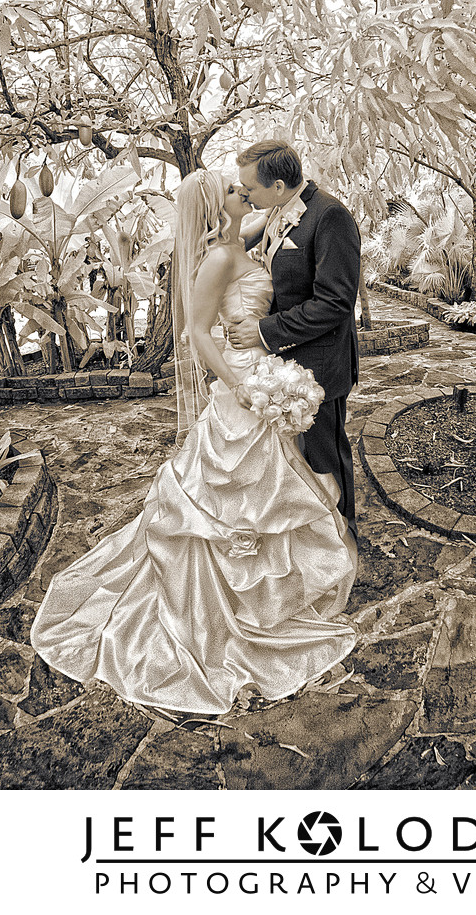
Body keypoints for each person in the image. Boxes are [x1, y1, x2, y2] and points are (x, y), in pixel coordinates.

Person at [30, 169, 357, 717]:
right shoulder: (218, 259)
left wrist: (291, 195)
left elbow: (277, 211)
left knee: (275, 486)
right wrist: (242, 386)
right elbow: (199, 334)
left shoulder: (241, 238)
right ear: (214, 205)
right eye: (233, 189)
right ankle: (228, 609)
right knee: (235, 494)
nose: (243, 192)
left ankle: (273, 591)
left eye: (245, 186)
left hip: (264, 370)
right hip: (244, 382)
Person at [234, 141, 361, 540]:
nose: (244, 195)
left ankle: (342, 532)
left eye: (249, 189)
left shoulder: (330, 216)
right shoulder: (276, 210)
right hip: (289, 363)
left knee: (326, 454)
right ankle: (314, 534)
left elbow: (335, 303)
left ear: (276, 185)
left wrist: (263, 331)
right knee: (301, 458)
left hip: (321, 361)